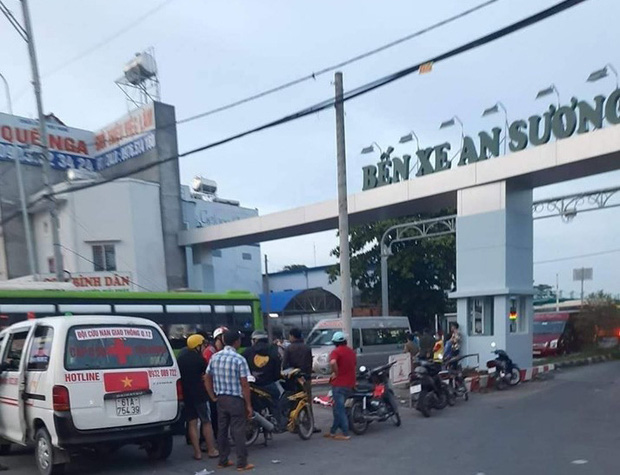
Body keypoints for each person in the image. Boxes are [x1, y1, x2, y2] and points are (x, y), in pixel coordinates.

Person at [206, 330, 255, 472]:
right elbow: (244, 384)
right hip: (235, 399)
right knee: (238, 431)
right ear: (236, 342)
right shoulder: (239, 359)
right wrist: (248, 405)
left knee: (222, 430)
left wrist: (212, 395)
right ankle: (242, 463)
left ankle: (223, 460)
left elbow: (207, 377)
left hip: (221, 399)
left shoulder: (215, 357)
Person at [177, 334, 219, 461]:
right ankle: (211, 450)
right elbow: (206, 377)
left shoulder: (180, 359)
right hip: (200, 395)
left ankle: (197, 453)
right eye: (203, 345)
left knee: (192, 423)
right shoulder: (200, 360)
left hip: (187, 396)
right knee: (206, 422)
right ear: (197, 346)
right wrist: (212, 396)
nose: (204, 347)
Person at [243, 330, 285, 429]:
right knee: (278, 397)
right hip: (269, 384)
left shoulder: (247, 351)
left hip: (253, 385)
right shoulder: (274, 350)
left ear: (255, 340)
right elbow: (277, 370)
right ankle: (279, 421)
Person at [283, 327, 321, 433]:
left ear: (292, 336)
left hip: (293, 379)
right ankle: (310, 424)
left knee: (294, 402)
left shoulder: (289, 348)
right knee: (307, 401)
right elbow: (309, 363)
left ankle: (294, 424)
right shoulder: (307, 348)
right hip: (305, 378)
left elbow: (285, 364)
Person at [324, 331, 356, 441]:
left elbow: (333, 362)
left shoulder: (336, 352)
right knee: (337, 408)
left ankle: (346, 433)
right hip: (350, 384)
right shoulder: (351, 351)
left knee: (340, 409)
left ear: (335, 342)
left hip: (339, 385)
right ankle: (333, 431)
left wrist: (335, 372)